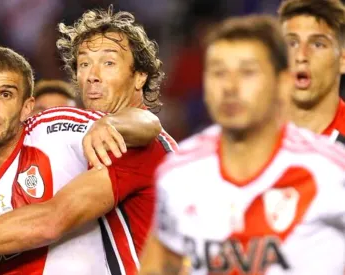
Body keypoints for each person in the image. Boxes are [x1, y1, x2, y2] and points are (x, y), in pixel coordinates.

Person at [0, 7, 177, 275]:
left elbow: (53, 219)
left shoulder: (126, 140)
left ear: (140, 77)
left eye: (108, 62)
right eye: (84, 64)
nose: (92, 76)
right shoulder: (92, 132)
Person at [139, 15, 345, 275]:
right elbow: (160, 265)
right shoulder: (178, 172)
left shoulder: (331, 170)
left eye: (248, 72)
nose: (230, 87)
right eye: (218, 72)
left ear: (282, 84)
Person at [279, 0, 345, 142]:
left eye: (318, 44)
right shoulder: (252, 136)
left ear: (342, 60)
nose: (301, 56)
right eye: (292, 43)